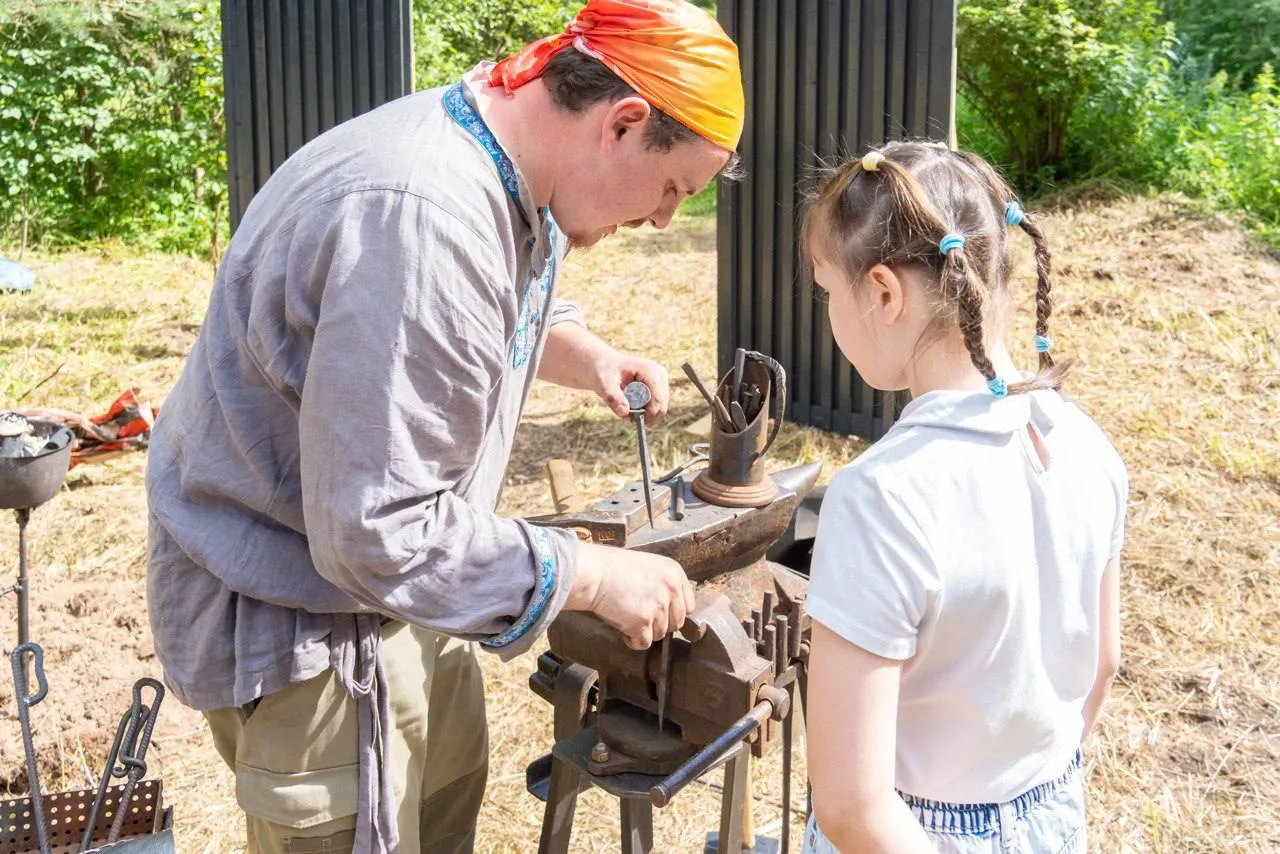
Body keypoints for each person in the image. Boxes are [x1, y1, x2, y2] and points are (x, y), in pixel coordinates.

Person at [143, 2, 744, 852]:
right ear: (623, 122)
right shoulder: (422, 216)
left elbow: (472, 309)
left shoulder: (501, 151)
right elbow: (375, 531)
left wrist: (583, 353)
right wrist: (590, 575)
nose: (662, 220)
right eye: (674, 188)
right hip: (309, 620)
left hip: (418, 593)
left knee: (442, 814)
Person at [798, 142, 1128, 853]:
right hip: (1051, 808)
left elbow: (853, 805)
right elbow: (1102, 662)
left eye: (828, 289)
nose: (828, 310)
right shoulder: (1088, 445)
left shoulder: (880, 496)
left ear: (884, 292)